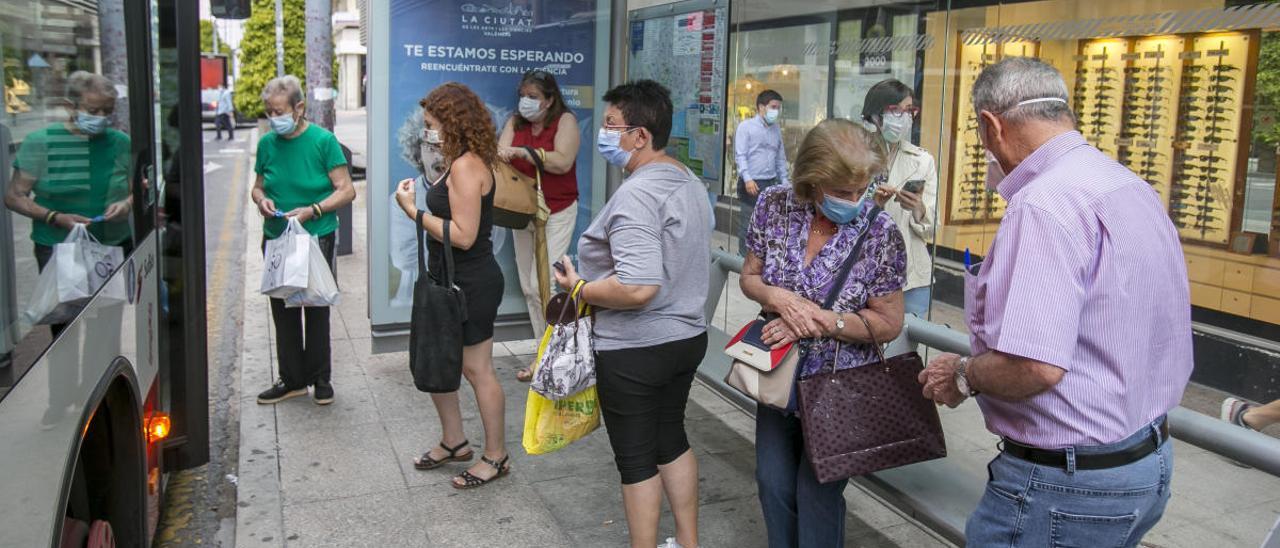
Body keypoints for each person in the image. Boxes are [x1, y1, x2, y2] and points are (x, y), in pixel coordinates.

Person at [917, 57, 1192, 547]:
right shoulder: (1126, 184)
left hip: (1066, 486)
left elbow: (1034, 367)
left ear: (990, 125)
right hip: (1145, 463)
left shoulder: (1044, 205)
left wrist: (963, 373)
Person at [552, 80, 710, 548]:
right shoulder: (687, 180)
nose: (604, 135)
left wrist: (578, 286)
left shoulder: (638, 195)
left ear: (640, 135)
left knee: (637, 459)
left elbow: (639, 286)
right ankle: (686, 542)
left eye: (611, 126)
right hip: (685, 338)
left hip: (638, 347)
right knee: (671, 439)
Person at [739, 118, 907, 547]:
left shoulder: (880, 233)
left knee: (818, 496)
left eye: (862, 189)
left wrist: (819, 319)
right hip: (778, 375)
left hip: (841, 388)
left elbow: (888, 323)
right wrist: (781, 300)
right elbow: (750, 278)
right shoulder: (775, 205)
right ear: (811, 181)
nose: (854, 200)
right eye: (841, 191)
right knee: (773, 485)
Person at [394, 82, 509, 490]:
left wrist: (413, 212)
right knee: (441, 360)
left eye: (431, 123)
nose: (427, 130)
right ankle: (454, 440)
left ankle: (495, 456)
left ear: (451, 121)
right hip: (445, 278)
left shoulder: (466, 166)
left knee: (477, 369)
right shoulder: (454, 160)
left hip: (472, 282)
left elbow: (463, 235)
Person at [251, 75, 356, 406]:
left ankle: (321, 378)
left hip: (315, 236)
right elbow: (258, 185)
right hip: (277, 237)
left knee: (316, 305)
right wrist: (260, 199)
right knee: (283, 308)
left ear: (299, 107)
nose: (274, 117)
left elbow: (346, 190)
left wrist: (313, 209)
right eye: (269, 111)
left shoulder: (323, 141)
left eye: (279, 110)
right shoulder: (267, 143)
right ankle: (292, 379)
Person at [497, 69, 581, 381]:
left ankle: (555, 353)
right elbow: (499, 153)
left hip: (556, 210)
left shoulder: (565, 121)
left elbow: (563, 161)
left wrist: (524, 152)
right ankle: (543, 352)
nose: (525, 101)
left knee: (542, 283)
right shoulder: (514, 121)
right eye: (523, 95)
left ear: (549, 100)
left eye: (533, 97)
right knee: (529, 287)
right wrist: (509, 151)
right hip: (521, 211)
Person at [4, 71, 133, 269]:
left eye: (108, 111)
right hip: (59, 246)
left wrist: (126, 203)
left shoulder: (120, 142)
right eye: (93, 110)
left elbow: (139, 189)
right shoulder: (40, 142)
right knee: (69, 302)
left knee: (116, 300)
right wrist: (54, 217)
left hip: (114, 244)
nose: (101, 117)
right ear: (69, 107)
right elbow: (14, 196)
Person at [863, 79, 937, 318]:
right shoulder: (855, 153)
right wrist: (872, 205)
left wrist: (919, 209)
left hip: (911, 276)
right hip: (863, 269)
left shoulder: (922, 160)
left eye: (909, 111)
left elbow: (931, 229)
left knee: (903, 352)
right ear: (876, 114)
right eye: (896, 110)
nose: (904, 118)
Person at [734, 89, 789, 256]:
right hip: (752, 182)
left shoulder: (776, 130)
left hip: (770, 182)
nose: (776, 111)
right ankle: (742, 259)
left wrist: (784, 181)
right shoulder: (746, 127)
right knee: (748, 222)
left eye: (778, 108)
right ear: (761, 107)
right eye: (773, 107)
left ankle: (760, 260)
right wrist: (747, 179)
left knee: (767, 224)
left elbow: (780, 158)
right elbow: (740, 155)